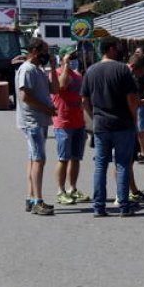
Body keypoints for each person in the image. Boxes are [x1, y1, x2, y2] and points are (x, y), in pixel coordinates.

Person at [81, 37, 139, 218]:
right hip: (123, 124)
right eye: (118, 47)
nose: (121, 50)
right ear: (111, 48)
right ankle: (124, 206)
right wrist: (134, 117)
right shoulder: (122, 69)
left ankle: (99, 207)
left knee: (100, 166)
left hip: (101, 125)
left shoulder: (91, 70)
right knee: (122, 165)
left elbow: (84, 100)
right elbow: (131, 98)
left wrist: (94, 117)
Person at [16, 38, 57, 215]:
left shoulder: (39, 70)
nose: (46, 55)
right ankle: (37, 201)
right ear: (34, 51)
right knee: (39, 159)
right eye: (44, 51)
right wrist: (47, 109)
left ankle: (31, 197)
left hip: (40, 120)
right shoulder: (27, 69)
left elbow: (55, 89)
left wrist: (53, 68)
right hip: (32, 121)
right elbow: (25, 96)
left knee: (34, 159)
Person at [50, 46, 88, 205]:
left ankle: (72, 188)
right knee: (63, 158)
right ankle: (61, 191)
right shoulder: (56, 74)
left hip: (78, 121)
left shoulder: (78, 75)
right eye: (70, 57)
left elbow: (83, 97)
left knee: (76, 158)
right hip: (63, 122)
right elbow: (62, 86)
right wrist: (65, 64)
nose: (73, 60)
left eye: (73, 57)